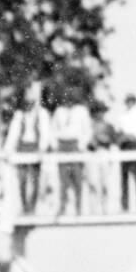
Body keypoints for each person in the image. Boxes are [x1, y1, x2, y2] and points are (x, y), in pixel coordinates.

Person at [4, 82, 53, 214]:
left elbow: (45, 133)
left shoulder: (42, 114)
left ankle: (31, 208)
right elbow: (13, 134)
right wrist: (8, 150)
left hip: (34, 148)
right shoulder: (20, 115)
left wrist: (42, 149)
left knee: (34, 179)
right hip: (22, 148)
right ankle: (24, 207)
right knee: (22, 179)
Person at [50, 82, 92, 216]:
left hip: (75, 144)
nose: (68, 99)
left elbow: (88, 130)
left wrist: (82, 145)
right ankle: (62, 207)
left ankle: (79, 207)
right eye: (66, 97)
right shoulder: (59, 111)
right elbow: (53, 129)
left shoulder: (81, 111)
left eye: (71, 97)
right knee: (63, 179)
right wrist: (55, 144)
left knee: (77, 178)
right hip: (62, 144)